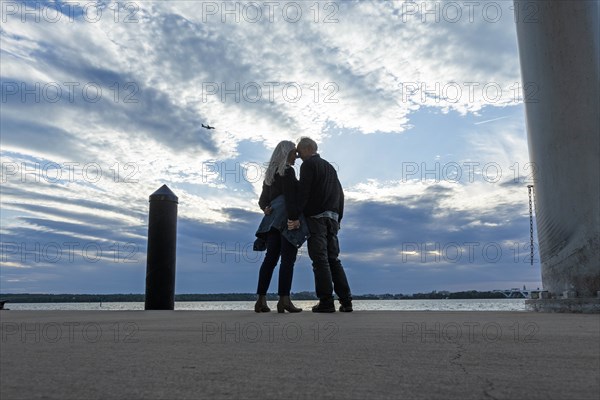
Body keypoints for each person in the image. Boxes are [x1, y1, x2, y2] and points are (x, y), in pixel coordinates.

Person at [288, 137, 353, 313]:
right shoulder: (330, 167)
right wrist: (338, 218)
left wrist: (294, 216)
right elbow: (340, 194)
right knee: (333, 259)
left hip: (316, 218)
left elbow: (304, 192)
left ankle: (326, 302)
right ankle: (346, 302)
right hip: (332, 218)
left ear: (309, 149)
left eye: (300, 153)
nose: (299, 157)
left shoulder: (308, 165)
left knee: (320, 260)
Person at [254, 140, 308, 313]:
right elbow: (291, 198)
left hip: (271, 223)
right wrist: (294, 219)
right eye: (294, 153)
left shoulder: (270, 175)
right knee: (288, 260)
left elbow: (262, 200)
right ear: (286, 153)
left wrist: (266, 208)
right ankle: (284, 300)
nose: (297, 156)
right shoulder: (287, 171)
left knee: (270, 260)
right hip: (286, 222)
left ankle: (260, 301)